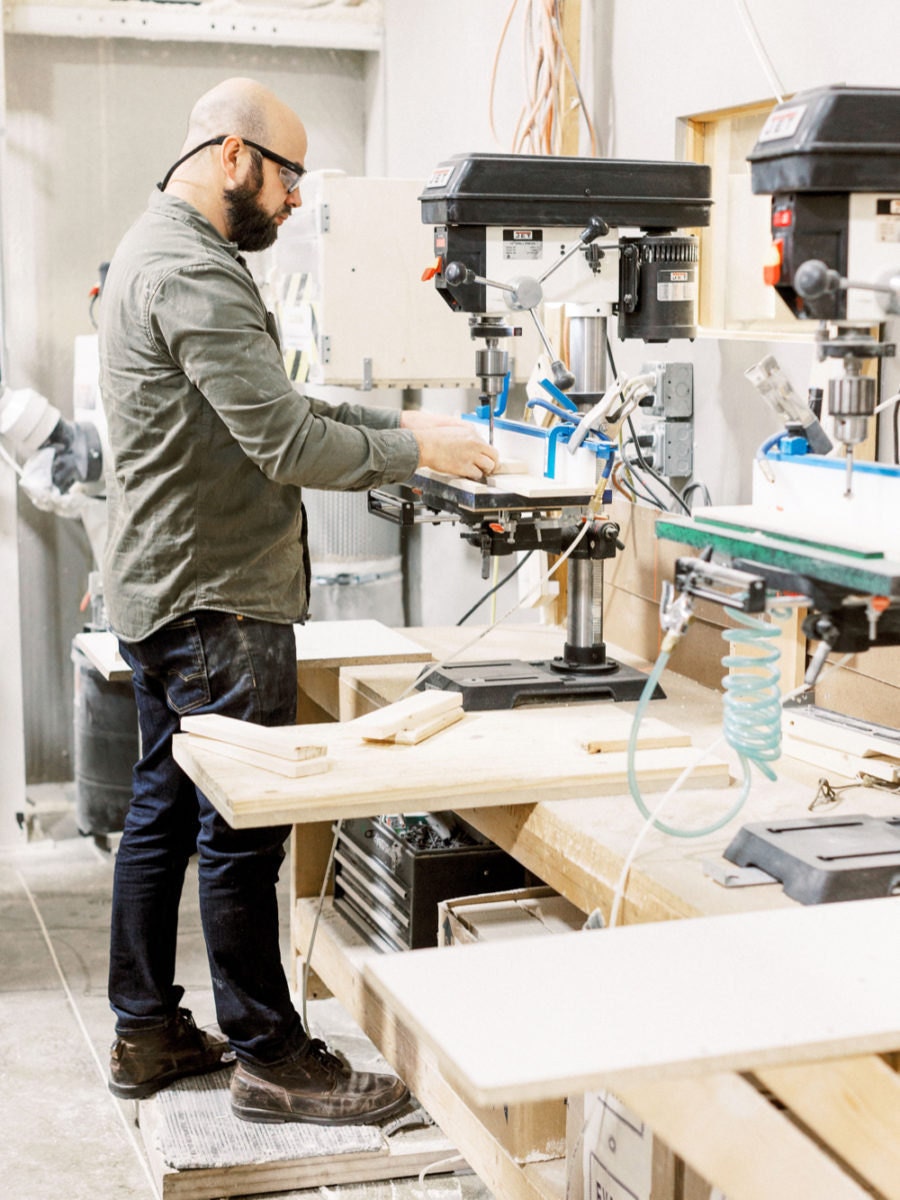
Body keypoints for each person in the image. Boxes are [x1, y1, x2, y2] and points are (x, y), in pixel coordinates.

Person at [99, 76, 498, 1125]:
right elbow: (283, 441)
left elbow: (280, 406)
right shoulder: (195, 268)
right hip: (217, 597)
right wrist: (416, 449)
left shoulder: (159, 249)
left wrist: (401, 429)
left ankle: (144, 1028)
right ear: (235, 155)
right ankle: (273, 1057)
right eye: (286, 178)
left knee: (164, 813)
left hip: (166, 585)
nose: (291, 202)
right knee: (244, 826)